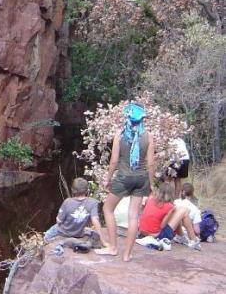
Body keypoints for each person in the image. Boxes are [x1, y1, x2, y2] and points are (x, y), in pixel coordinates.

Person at [95, 103, 154, 261]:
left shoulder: (119, 134)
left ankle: (113, 248)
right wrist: (152, 183)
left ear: (127, 117)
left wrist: (108, 179)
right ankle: (127, 254)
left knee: (108, 209)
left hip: (123, 177)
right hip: (142, 179)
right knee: (133, 216)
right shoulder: (148, 135)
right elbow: (150, 164)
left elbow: (114, 161)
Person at [44, 177, 105, 248]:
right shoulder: (93, 202)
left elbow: (59, 220)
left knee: (46, 236)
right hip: (78, 233)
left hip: (63, 232)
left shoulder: (67, 202)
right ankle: (79, 241)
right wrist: (102, 240)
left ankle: (64, 241)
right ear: (87, 190)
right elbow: (95, 220)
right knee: (89, 230)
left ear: (72, 190)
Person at [138, 182, 201, 250]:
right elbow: (162, 225)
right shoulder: (169, 206)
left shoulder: (150, 199)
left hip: (143, 231)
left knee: (180, 213)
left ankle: (181, 236)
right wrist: (172, 213)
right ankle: (193, 240)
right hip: (157, 235)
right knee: (184, 211)